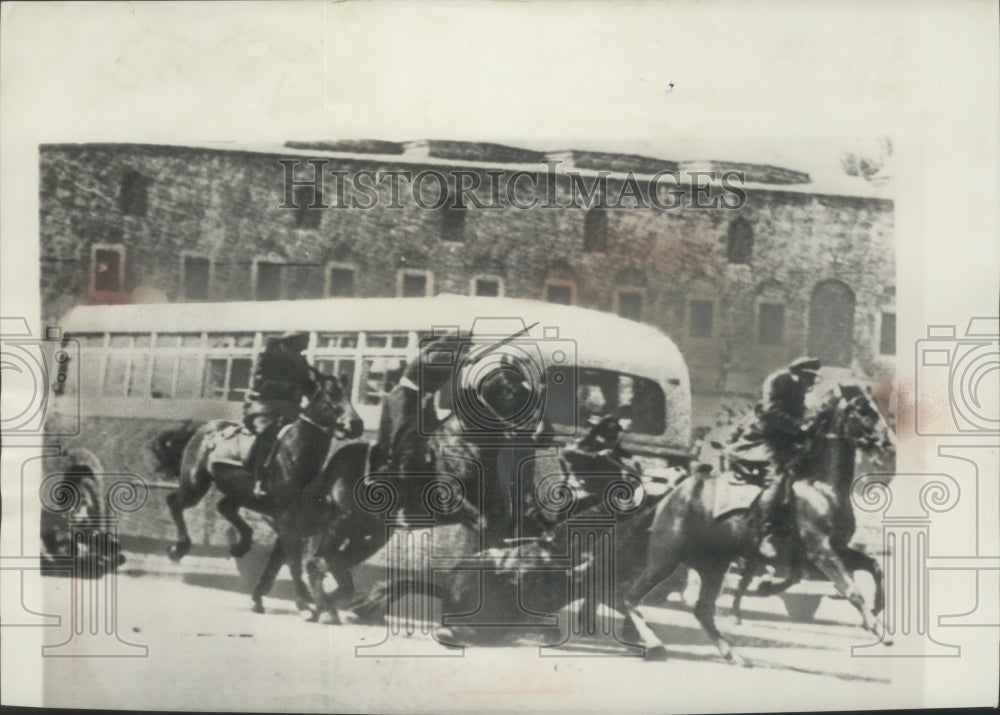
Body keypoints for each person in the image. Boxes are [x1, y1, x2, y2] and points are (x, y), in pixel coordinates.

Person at [754, 356, 822, 559]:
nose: (811, 384)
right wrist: (798, 428)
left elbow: (800, 414)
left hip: (792, 439)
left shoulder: (799, 387)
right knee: (783, 474)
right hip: (774, 437)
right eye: (809, 378)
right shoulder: (778, 381)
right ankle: (768, 532)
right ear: (799, 374)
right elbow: (771, 411)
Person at [372, 333, 468, 474]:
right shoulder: (437, 348)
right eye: (466, 347)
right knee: (405, 432)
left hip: (422, 397)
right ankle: (390, 465)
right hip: (405, 395)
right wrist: (465, 358)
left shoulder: (451, 356)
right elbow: (433, 359)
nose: (467, 350)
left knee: (434, 429)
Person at [243, 331, 316, 498]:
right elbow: (259, 384)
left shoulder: (300, 360)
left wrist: (321, 393)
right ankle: (258, 480)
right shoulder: (268, 356)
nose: (306, 346)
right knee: (268, 434)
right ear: (291, 342)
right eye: (304, 342)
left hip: (291, 408)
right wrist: (291, 389)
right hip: (264, 406)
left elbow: (307, 385)